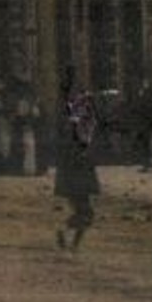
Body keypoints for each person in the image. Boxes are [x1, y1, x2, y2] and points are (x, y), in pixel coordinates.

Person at [53, 70, 100, 251]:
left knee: (84, 211)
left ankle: (71, 241)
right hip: (79, 168)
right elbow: (81, 137)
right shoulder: (77, 114)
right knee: (86, 211)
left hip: (74, 168)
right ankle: (66, 234)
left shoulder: (68, 111)